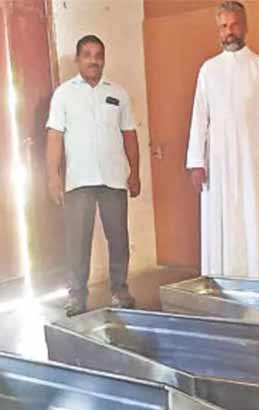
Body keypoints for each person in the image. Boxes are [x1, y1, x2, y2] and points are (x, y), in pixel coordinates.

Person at [186, 1, 259, 279]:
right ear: (218, 30)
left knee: (256, 220)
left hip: (255, 164)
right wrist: (196, 163)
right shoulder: (208, 71)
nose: (229, 32)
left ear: (245, 27)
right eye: (223, 26)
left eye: (234, 25)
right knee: (221, 221)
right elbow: (199, 118)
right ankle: (222, 283)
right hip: (218, 165)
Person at [46, 34, 140, 316]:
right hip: (79, 180)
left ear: (104, 59)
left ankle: (120, 290)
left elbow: (129, 135)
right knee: (77, 241)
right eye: (87, 55)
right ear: (78, 59)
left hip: (113, 179)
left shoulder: (118, 93)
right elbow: (54, 136)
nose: (93, 60)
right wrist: (53, 176)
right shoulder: (64, 94)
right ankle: (76, 296)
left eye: (98, 55)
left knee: (118, 238)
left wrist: (135, 172)